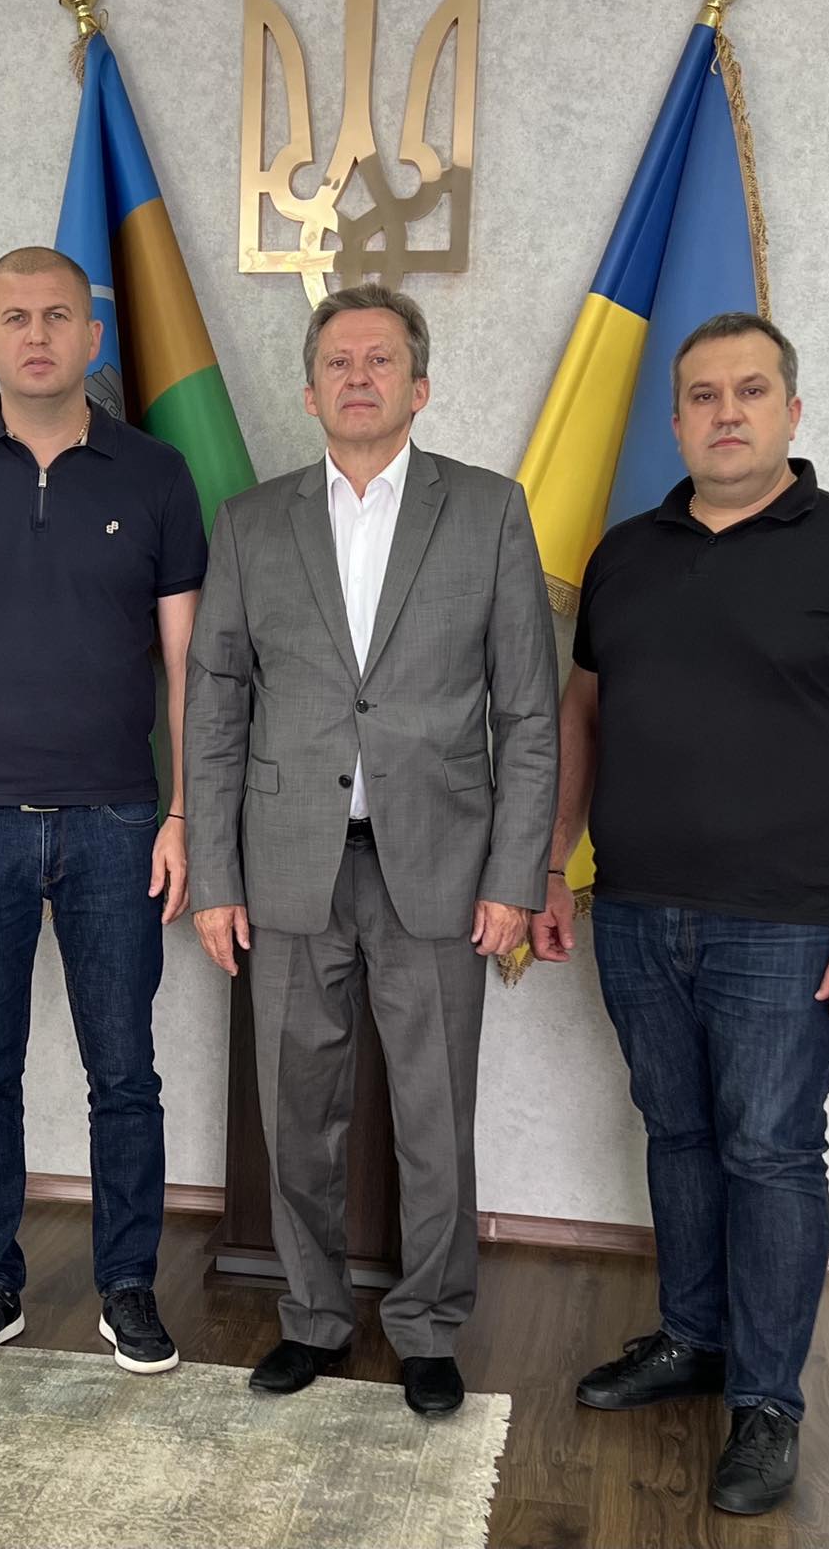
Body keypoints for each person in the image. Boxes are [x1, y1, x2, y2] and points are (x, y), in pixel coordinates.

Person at [531, 312, 829, 1515]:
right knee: (674, 1130)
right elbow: (581, 717)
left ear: (791, 412)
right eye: (704, 396)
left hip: (791, 925)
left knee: (768, 1150)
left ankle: (766, 1399)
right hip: (634, 908)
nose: (727, 412)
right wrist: (552, 866)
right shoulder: (624, 556)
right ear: (675, 421)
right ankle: (693, 1338)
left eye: (750, 391)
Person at [185, 282, 558, 1417]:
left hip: (441, 868)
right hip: (287, 864)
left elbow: (528, 714)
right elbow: (214, 708)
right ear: (309, 392)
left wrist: (514, 876)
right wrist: (215, 878)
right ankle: (310, 1316)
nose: (358, 376)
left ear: (420, 386)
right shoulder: (251, 522)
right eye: (338, 362)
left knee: (435, 1116)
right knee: (295, 1113)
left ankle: (429, 1327)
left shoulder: (488, 510)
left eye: (380, 359)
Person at [0, 247, 205, 1376]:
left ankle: (128, 1287)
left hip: (117, 821)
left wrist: (183, 812)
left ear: (91, 337)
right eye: (13, 317)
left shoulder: (156, 473)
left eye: (57, 315)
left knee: (126, 1073)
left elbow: (188, 663)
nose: (37, 334)